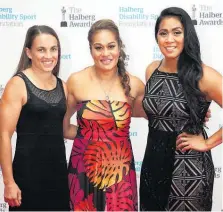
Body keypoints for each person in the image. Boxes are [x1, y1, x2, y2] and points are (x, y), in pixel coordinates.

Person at [140, 7, 222, 211]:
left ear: (187, 35)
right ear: (156, 37)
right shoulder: (152, 70)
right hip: (153, 162)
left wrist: (207, 142)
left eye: (177, 32)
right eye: (163, 33)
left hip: (188, 169)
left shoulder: (203, 75)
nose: (169, 39)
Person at [63, 19, 145, 211]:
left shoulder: (135, 85)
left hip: (121, 173)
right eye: (98, 47)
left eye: (111, 46)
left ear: (119, 47)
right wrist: (92, 136)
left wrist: (199, 113)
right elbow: (64, 127)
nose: (105, 53)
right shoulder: (76, 81)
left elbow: (158, 115)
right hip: (83, 169)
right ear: (90, 49)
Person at [0, 25, 70, 211]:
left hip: (58, 177)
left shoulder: (63, 86)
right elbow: (4, 135)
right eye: (41, 49)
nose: (49, 55)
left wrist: (103, 131)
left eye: (53, 49)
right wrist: (8, 183)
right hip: (27, 178)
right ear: (29, 52)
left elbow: (65, 130)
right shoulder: (18, 84)